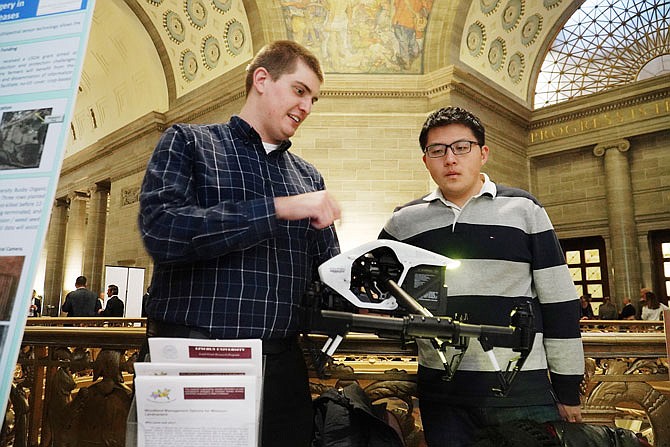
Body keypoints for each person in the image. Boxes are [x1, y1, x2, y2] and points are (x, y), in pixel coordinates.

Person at [138, 40, 341, 447]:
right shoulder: (190, 143)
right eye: (300, 91)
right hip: (196, 360)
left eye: (314, 99)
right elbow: (162, 231)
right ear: (262, 79)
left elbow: (328, 276)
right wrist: (278, 209)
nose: (307, 107)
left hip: (281, 365)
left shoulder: (308, 178)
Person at [378, 106, 584, 447]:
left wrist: (566, 386)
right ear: (425, 160)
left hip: (522, 392)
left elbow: (559, 301)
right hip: (444, 394)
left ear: (483, 153)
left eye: (462, 147)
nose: (450, 159)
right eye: (437, 150)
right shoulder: (404, 222)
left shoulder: (524, 210)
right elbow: (381, 292)